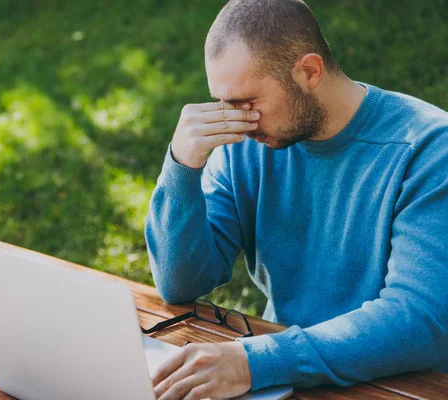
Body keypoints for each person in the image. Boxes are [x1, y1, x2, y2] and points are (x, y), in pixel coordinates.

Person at [144, 0, 448, 399]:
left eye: (246, 102)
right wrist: (182, 169)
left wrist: (256, 361)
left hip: (396, 384)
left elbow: (418, 321)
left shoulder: (428, 150)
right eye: (223, 102)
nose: (235, 120)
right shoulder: (245, 147)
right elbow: (180, 284)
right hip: (279, 377)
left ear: (309, 71)